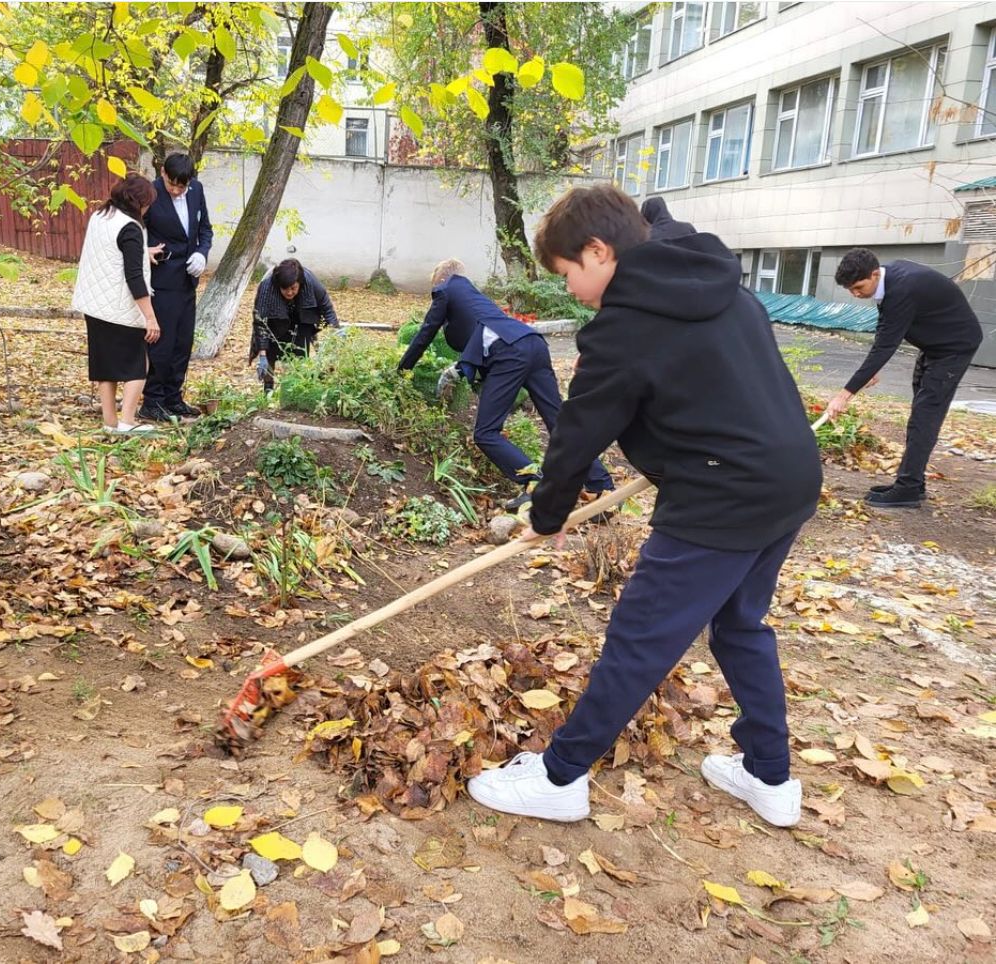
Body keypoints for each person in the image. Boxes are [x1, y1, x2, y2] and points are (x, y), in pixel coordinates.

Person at [467, 185, 822, 828]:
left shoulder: (625, 327)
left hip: (721, 498)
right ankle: (769, 776)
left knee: (640, 639)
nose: (571, 289)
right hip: (788, 480)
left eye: (569, 272)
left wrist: (544, 515)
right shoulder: (722, 289)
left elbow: (578, 431)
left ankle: (560, 776)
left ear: (600, 251)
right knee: (742, 625)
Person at [397, 259, 613, 511]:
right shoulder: (475, 297)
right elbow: (481, 339)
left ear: (440, 280)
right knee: (559, 421)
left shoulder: (445, 290)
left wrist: (402, 370)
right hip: (533, 343)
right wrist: (467, 371)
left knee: (485, 433)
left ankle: (533, 483)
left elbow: (426, 333)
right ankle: (601, 489)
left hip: (509, 353)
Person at [823, 248, 984, 508]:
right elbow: (886, 329)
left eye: (858, 287)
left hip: (953, 348)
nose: (855, 294)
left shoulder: (902, 289)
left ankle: (907, 489)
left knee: (925, 416)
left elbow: (886, 345)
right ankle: (913, 482)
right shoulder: (888, 281)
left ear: (874, 274)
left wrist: (844, 395)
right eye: (849, 289)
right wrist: (872, 369)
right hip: (935, 346)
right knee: (919, 413)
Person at [70, 174, 162, 434]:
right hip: (119, 308)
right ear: (138, 202)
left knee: (105, 365)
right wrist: (150, 317)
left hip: (94, 304)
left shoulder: (101, 216)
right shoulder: (131, 227)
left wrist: (144, 253)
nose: (147, 208)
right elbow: (134, 277)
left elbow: (110, 250)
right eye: (147, 203)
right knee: (139, 363)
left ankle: (110, 422)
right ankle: (128, 421)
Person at [138, 152, 214, 422]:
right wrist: (144, 251)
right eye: (172, 184)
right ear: (162, 174)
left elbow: (205, 229)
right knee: (163, 341)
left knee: (183, 341)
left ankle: (173, 397)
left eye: (182, 186)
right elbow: (136, 232)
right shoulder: (150, 193)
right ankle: (153, 400)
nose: (176, 190)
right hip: (161, 278)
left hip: (187, 279)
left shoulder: (196, 191)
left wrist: (202, 253)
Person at [250, 258, 339, 392]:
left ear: (300, 284)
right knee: (270, 355)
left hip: (301, 321)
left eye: (293, 288)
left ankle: (295, 390)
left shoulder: (311, 282)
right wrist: (262, 355)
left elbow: (327, 310)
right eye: (285, 289)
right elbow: (260, 322)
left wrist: (335, 333)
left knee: (299, 358)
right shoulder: (267, 288)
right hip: (275, 322)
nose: (289, 292)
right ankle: (267, 390)